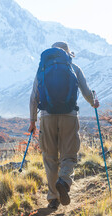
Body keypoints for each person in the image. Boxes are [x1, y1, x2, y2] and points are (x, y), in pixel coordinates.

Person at [28, 42, 100, 210]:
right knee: (69, 155)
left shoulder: (43, 69)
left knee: (50, 158)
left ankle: (53, 198)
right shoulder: (74, 68)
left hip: (47, 117)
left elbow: (33, 97)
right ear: (68, 55)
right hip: (69, 116)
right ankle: (64, 181)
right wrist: (93, 103)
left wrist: (33, 121)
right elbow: (86, 91)